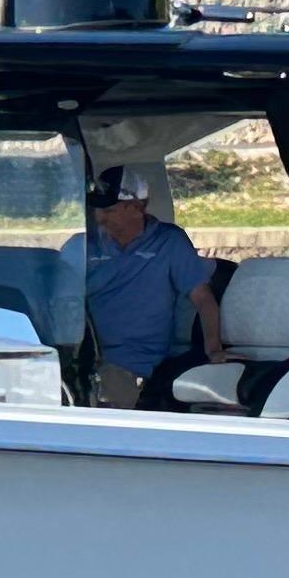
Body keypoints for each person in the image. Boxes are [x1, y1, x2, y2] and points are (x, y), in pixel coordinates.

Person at [83, 164, 223, 408]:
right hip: (81, 355)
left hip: (133, 362)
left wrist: (214, 349)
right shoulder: (85, 244)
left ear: (137, 207)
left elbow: (202, 297)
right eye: (98, 208)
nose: (100, 216)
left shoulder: (169, 242)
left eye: (110, 209)